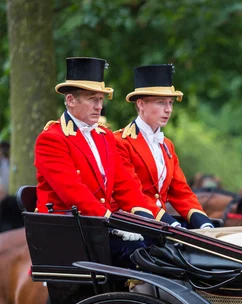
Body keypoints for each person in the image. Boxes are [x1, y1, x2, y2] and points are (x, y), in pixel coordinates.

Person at [35, 57, 162, 240]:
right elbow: (74, 194)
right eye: (92, 99)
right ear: (70, 100)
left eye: (101, 99)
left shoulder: (104, 135)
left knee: (157, 246)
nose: (99, 107)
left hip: (99, 225)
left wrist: (146, 218)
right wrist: (112, 223)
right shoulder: (51, 139)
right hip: (68, 229)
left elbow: (124, 183)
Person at [114, 64, 213, 229]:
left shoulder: (167, 145)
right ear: (140, 104)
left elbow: (181, 191)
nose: (168, 110)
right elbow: (134, 194)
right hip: (134, 225)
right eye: (161, 103)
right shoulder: (120, 142)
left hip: (163, 226)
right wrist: (170, 222)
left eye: (170, 103)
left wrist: (203, 223)